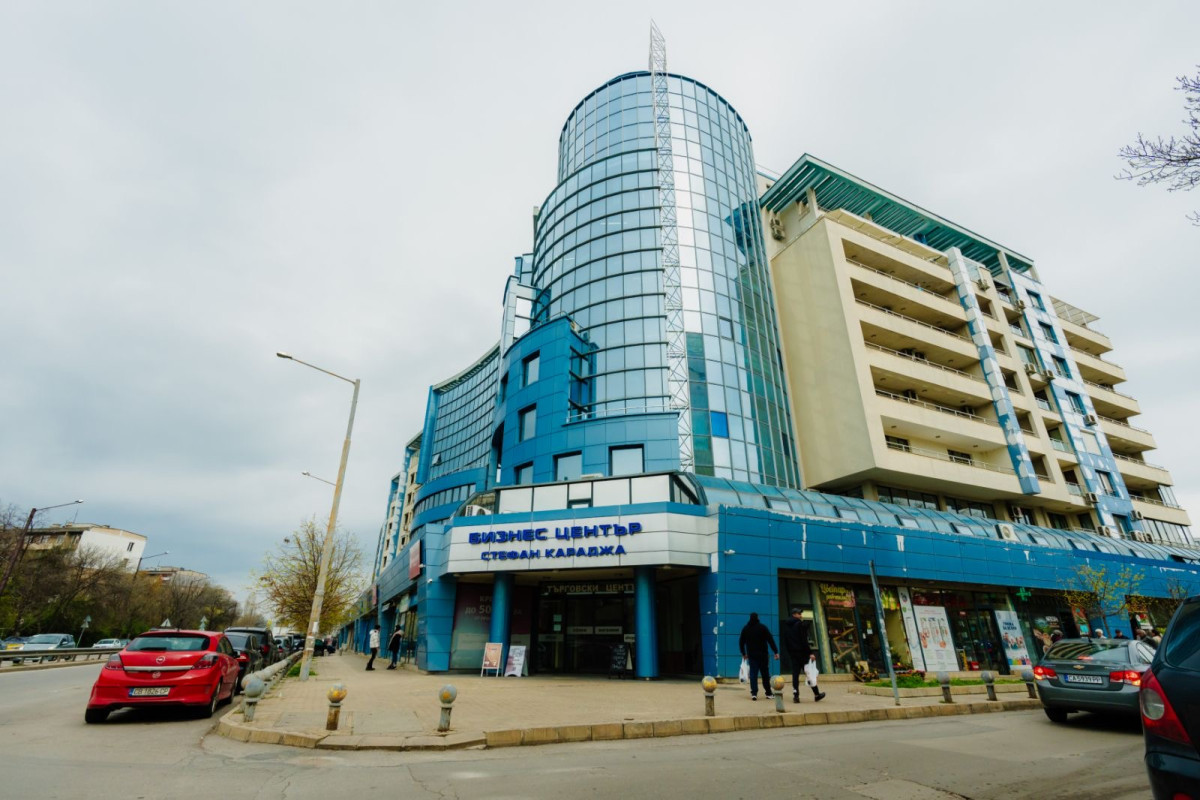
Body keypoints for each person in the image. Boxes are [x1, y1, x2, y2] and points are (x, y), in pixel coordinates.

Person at [781, 607, 825, 703]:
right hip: (802, 653)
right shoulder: (799, 624)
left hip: (793, 653)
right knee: (809, 673)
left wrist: (790, 652)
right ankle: (817, 694)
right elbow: (804, 641)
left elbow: (786, 641)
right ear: (794, 614)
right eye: (799, 614)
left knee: (795, 675)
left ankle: (796, 696)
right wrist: (810, 653)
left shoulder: (787, 626)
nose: (801, 615)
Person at [738, 612, 779, 700]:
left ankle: (754, 693)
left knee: (753, 674)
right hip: (763, 655)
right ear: (757, 618)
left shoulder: (746, 628)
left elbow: (741, 642)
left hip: (752, 655)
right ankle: (768, 693)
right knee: (765, 674)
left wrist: (743, 653)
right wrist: (775, 651)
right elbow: (770, 640)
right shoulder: (762, 627)